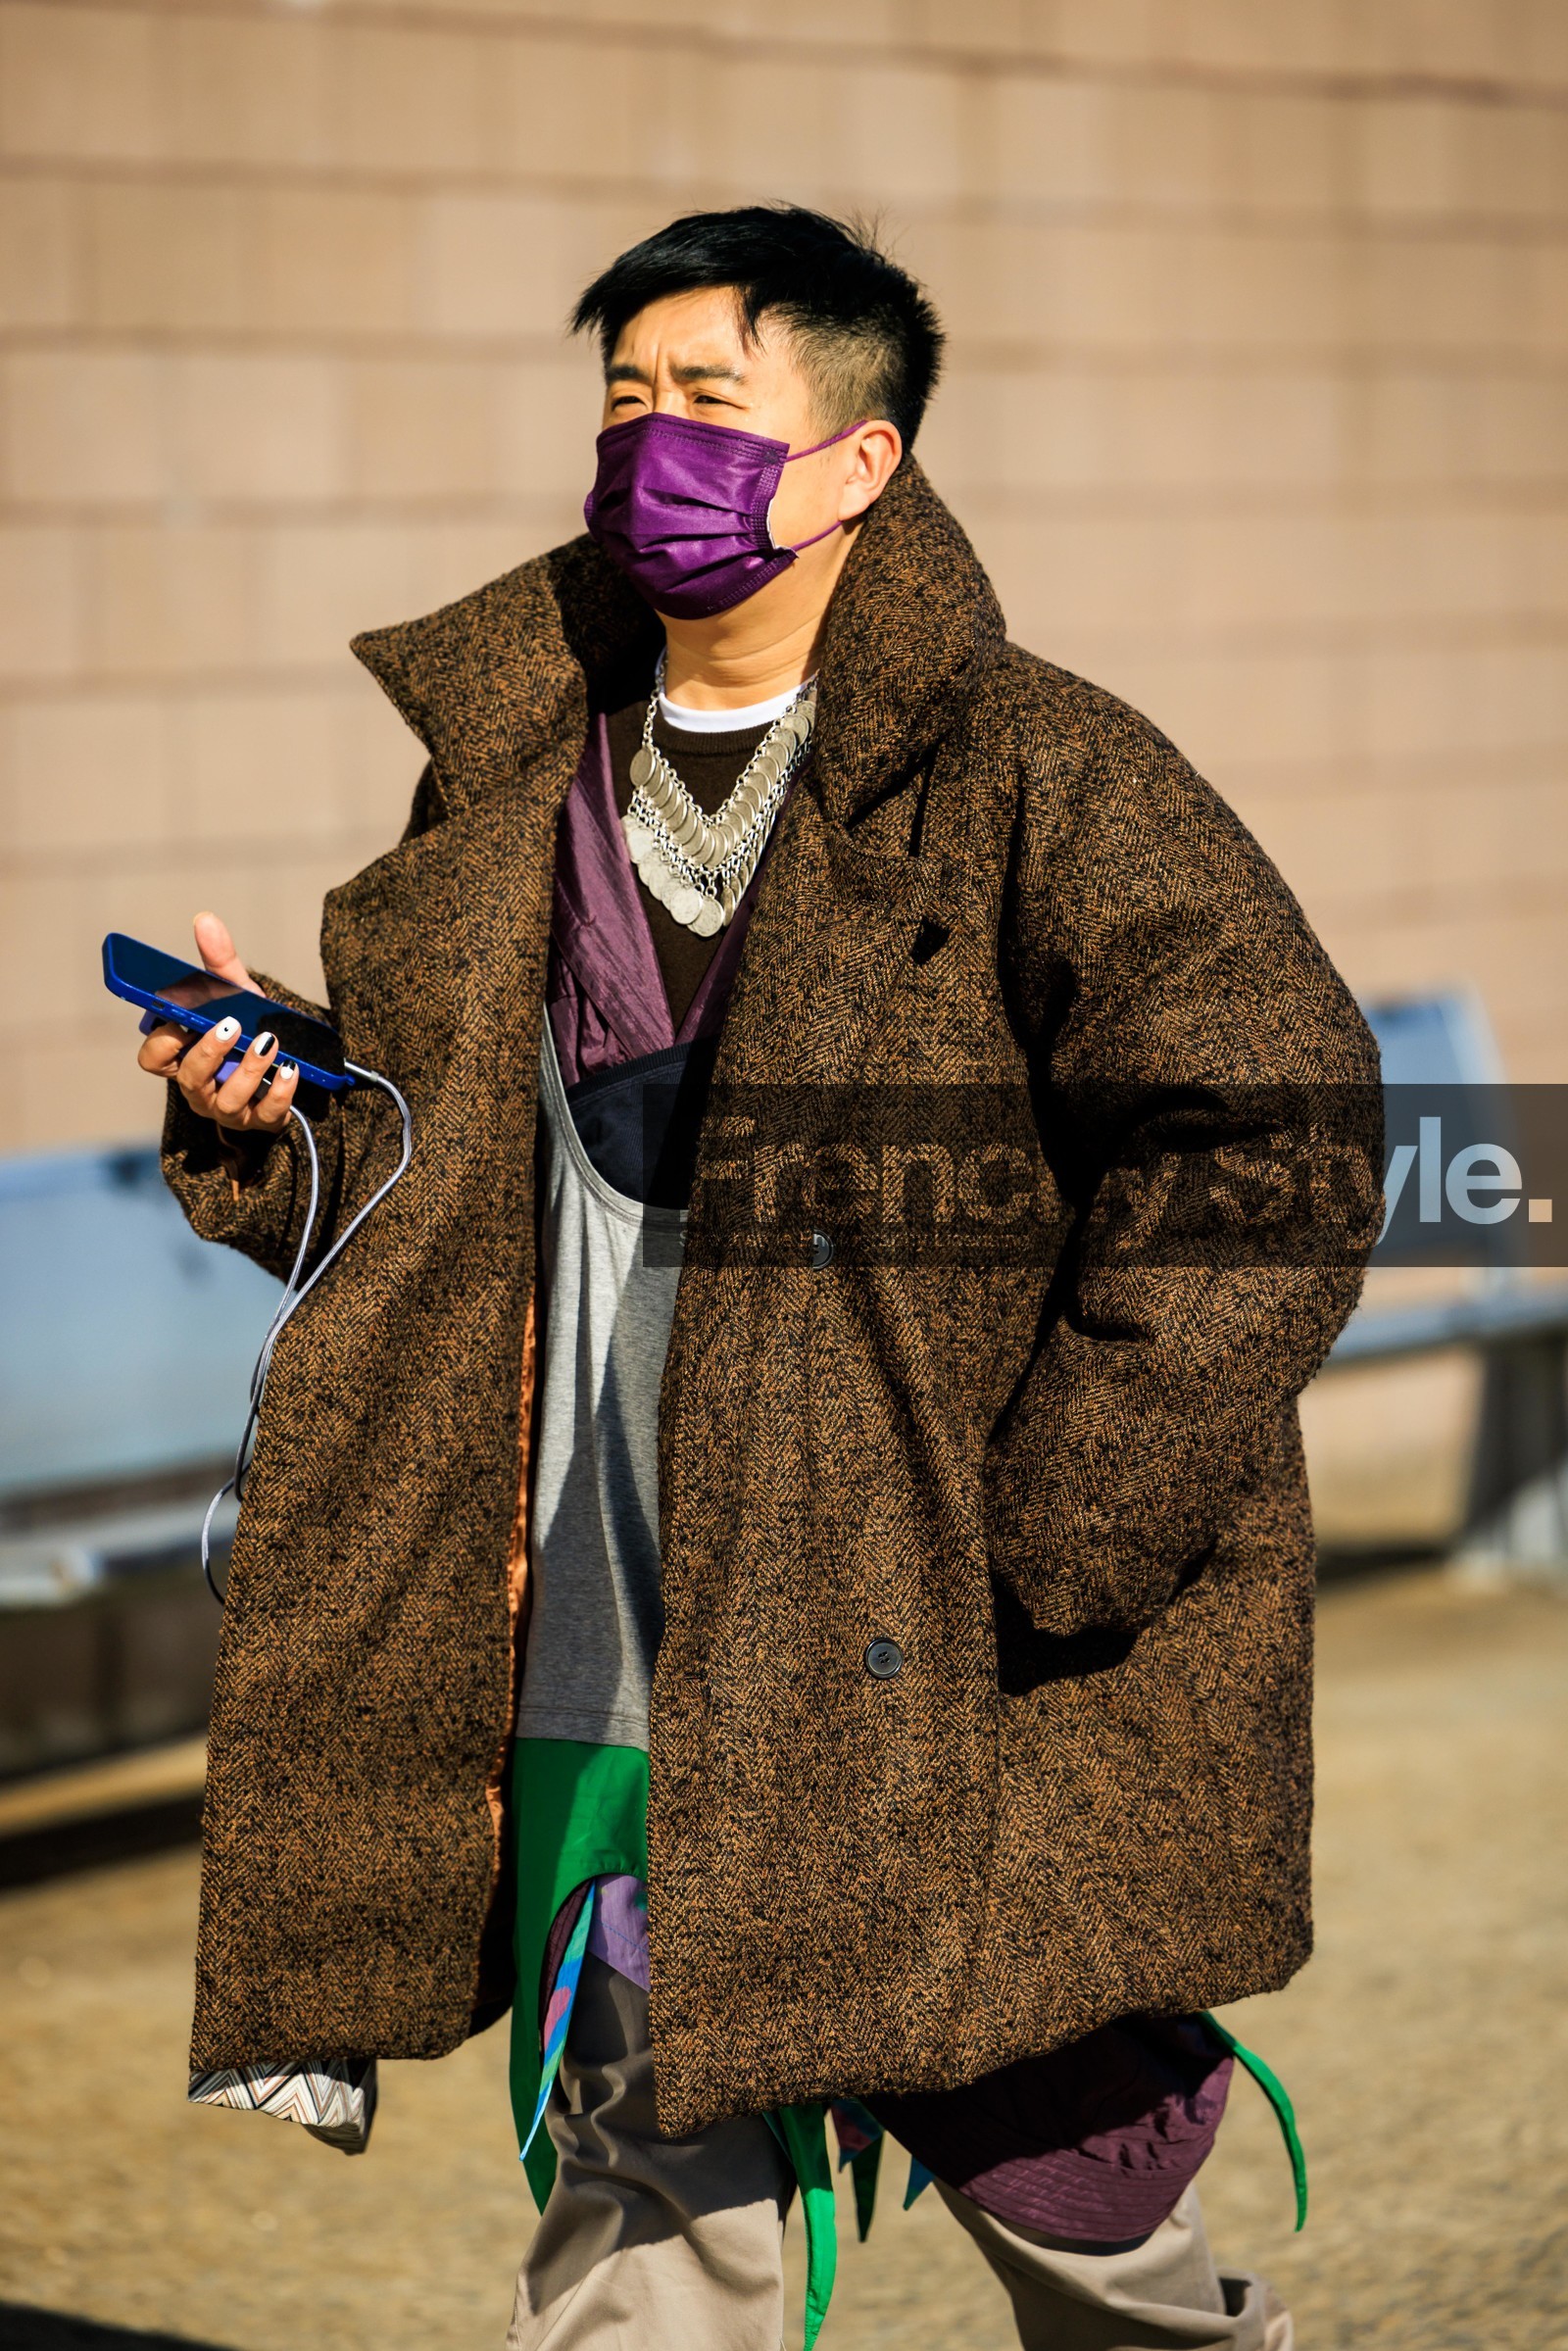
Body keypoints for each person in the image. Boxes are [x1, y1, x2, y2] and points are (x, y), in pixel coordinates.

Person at [141, 206, 1379, 2350]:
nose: (648, 447)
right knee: (633, 2185)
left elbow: (1273, 1133)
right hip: (586, 1601)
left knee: (1074, 2196)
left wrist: (1054, 1525)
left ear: (858, 460)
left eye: (705, 399)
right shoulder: (513, 773)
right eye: (619, 401)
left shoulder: (1040, 771)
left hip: (923, 1618)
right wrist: (275, 1131)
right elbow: (443, 1183)